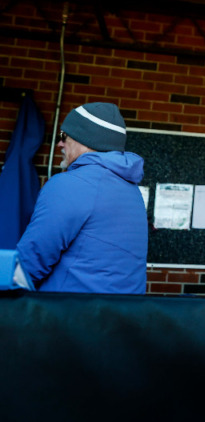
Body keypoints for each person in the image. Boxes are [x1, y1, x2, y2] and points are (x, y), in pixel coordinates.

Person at [16, 102, 148, 293]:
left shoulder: (71, 184)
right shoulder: (130, 188)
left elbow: (30, 261)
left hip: (69, 314)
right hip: (121, 315)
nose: (59, 143)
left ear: (86, 139)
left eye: (64, 136)